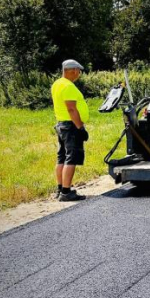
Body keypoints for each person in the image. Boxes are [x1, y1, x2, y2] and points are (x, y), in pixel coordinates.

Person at [51, 59, 90, 202]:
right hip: (71, 126)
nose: (79, 74)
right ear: (73, 70)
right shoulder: (68, 86)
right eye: (78, 71)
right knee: (71, 158)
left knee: (62, 157)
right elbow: (71, 109)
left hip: (61, 124)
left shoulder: (57, 84)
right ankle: (67, 193)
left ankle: (60, 188)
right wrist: (80, 128)